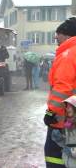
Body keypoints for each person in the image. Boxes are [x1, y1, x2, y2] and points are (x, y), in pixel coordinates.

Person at [43, 17, 76, 167]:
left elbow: (62, 89)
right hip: (71, 120)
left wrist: (51, 113)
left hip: (64, 122)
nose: (56, 36)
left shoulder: (67, 56)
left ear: (69, 36)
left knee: (54, 154)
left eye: (59, 33)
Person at [51, 95, 76, 167]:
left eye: (69, 106)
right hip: (68, 164)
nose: (67, 109)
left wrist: (71, 152)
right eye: (66, 107)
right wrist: (59, 140)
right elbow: (50, 108)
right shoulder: (68, 125)